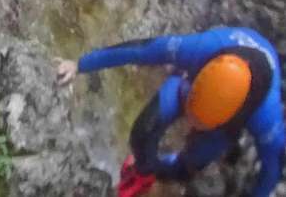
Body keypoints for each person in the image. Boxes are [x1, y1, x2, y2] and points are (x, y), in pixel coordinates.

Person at [57, 27, 281, 197]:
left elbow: (271, 171)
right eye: (192, 118)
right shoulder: (198, 48)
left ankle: (171, 167)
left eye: (198, 124)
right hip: (191, 86)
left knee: (190, 165)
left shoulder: (266, 117)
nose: (190, 126)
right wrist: (79, 64)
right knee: (144, 131)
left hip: (220, 116)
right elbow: (140, 50)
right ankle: (143, 171)